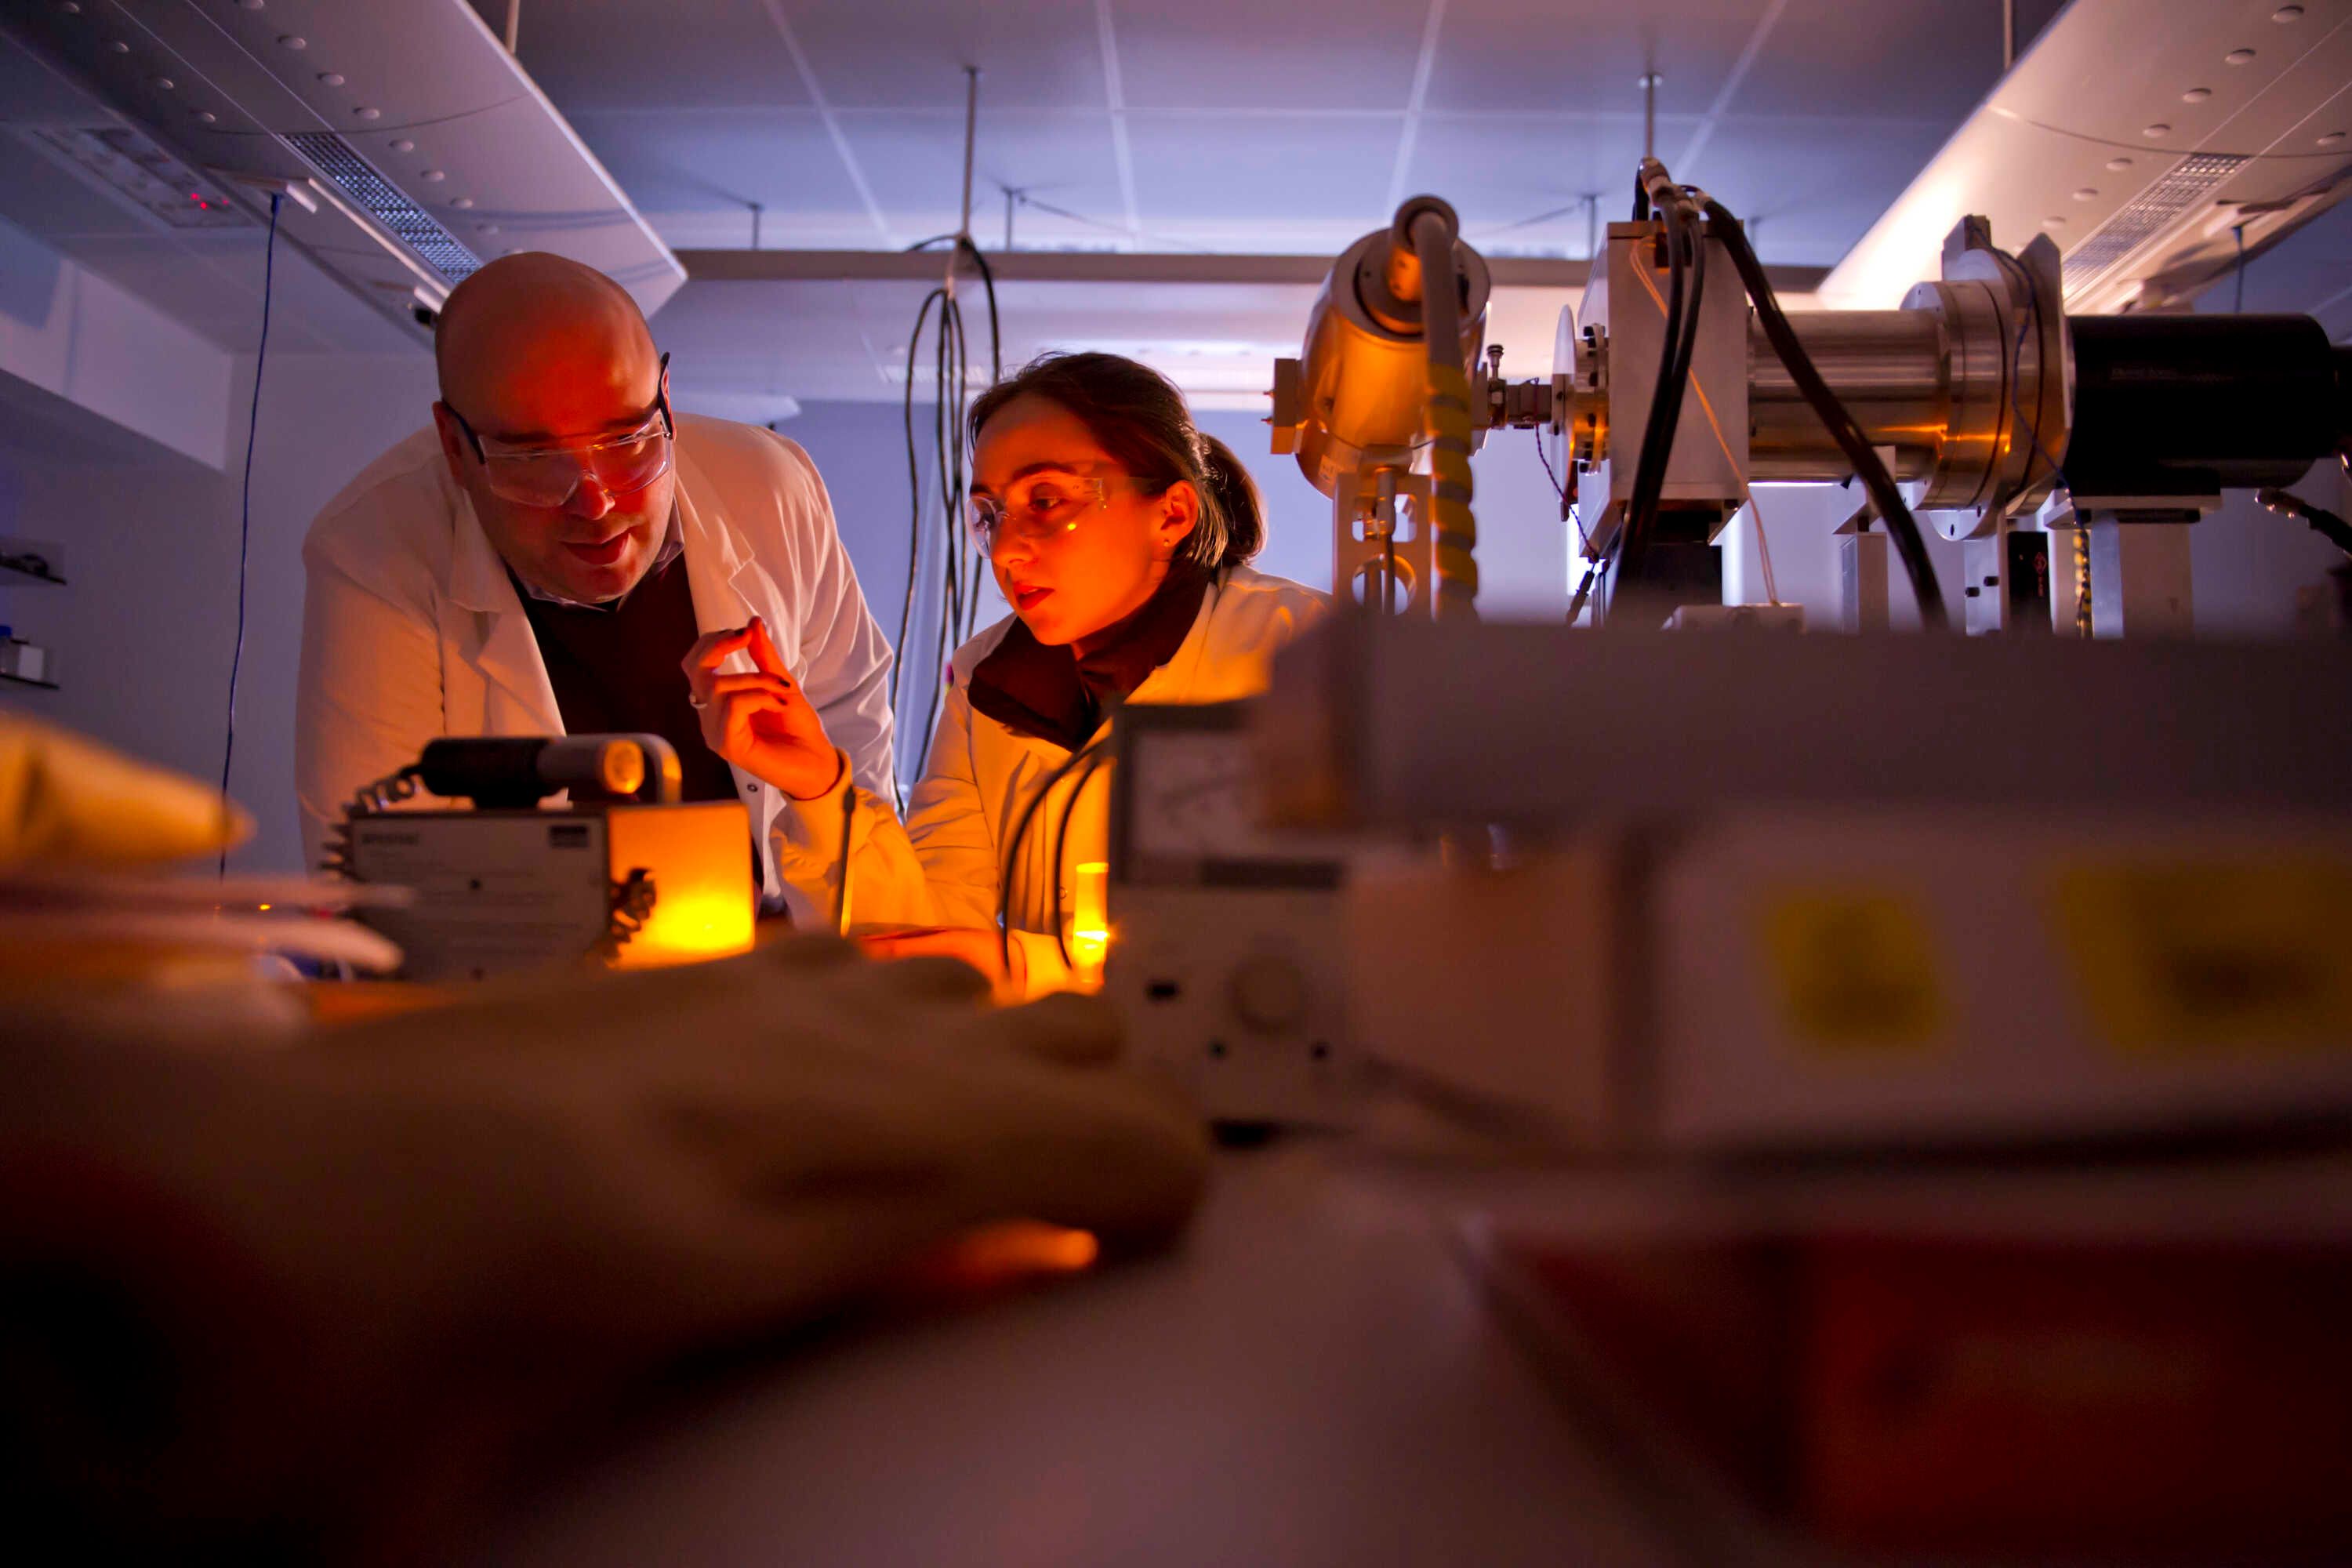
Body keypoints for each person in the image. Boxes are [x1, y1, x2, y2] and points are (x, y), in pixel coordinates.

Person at [687, 352, 1327, 996]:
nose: (1002, 549)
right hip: (1054, 1078)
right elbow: (924, 943)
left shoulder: (1297, 653)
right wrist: (819, 787)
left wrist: (1028, 969)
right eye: (989, 515)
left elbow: (1319, 948)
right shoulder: (989, 684)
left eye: (1044, 500)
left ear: (1172, 515)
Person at [295, 253, 892, 920]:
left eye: (625, 439)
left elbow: (851, 730)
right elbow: (375, 873)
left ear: (666, 399)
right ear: (455, 448)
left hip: (774, 940)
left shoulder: (771, 487)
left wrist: (854, 934)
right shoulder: (375, 550)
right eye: (534, 459)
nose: (597, 503)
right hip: (529, 976)